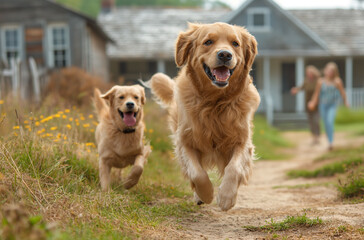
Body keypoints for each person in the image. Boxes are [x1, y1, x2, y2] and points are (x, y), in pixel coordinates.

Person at [308, 62, 349, 150]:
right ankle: (329, 140)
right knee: (326, 123)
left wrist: (346, 102)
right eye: (328, 70)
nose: (329, 72)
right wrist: (313, 103)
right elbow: (316, 94)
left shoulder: (337, 81)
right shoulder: (320, 81)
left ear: (334, 72)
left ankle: (331, 142)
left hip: (332, 105)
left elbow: (343, 93)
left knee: (330, 121)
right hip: (322, 105)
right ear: (325, 71)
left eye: (331, 71)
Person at [291, 65, 321, 145]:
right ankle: (314, 137)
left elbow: (319, 92)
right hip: (308, 104)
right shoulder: (306, 81)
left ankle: (317, 136)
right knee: (311, 121)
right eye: (307, 73)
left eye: (309, 72)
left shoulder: (318, 81)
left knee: (316, 121)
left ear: (313, 73)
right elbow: (301, 88)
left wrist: (315, 102)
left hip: (317, 104)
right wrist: (296, 90)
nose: (308, 74)